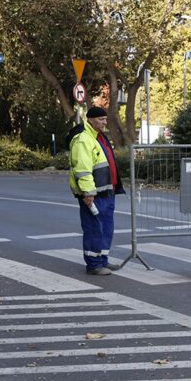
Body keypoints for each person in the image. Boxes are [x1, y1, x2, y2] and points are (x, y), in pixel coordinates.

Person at [68, 106, 125, 275]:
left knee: (106, 228)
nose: (104, 122)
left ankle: (103, 261)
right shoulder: (83, 139)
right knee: (94, 229)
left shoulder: (98, 137)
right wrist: (88, 193)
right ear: (90, 120)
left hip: (107, 191)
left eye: (105, 119)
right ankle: (93, 264)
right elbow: (82, 169)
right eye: (101, 119)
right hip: (94, 194)